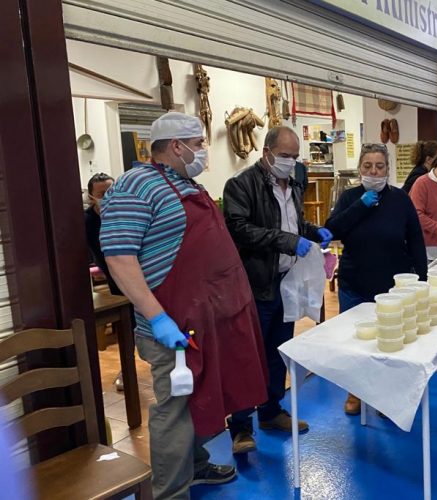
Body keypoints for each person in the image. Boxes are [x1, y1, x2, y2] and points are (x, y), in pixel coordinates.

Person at [100, 112, 268, 499]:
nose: (204, 151)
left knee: (203, 396)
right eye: (200, 143)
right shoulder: (136, 184)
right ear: (177, 146)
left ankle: (195, 466)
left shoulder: (182, 182)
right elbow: (119, 258)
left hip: (206, 318)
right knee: (174, 411)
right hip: (173, 327)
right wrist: (158, 318)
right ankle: (170, 491)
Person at [223, 126, 333, 450]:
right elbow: (239, 229)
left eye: (295, 156)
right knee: (249, 358)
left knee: (276, 354)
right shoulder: (241, 186)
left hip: (286, 284)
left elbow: (292, 224)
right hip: (256, 286)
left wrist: (313, 231)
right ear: (267, 152)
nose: (291, 162)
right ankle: (240, 426)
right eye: (285, 156)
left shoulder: (295, 183)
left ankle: (270, 411)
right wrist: (288, 241)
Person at [326, 143, 428, 415]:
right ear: (360, 168)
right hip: (354, 283)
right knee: (356, 342)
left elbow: (416, 240)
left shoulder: (400, 199)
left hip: (393, 285)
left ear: (388, 169)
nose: (373, 171)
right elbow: (331, 230)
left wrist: (423, 278)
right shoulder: (349, 198)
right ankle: (355, 392)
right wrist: (360, 206)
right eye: (367, 166)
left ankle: (385, 395)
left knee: (390, 342)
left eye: (379, 166)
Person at [84, 172, 127, 393]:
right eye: (102, 194)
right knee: (127, 327)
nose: (108, 197)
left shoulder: (128, 212)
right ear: (91, 197)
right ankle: (126, 371)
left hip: (140, 273)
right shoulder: (86, 221)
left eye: (111, 191)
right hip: (113, 278)